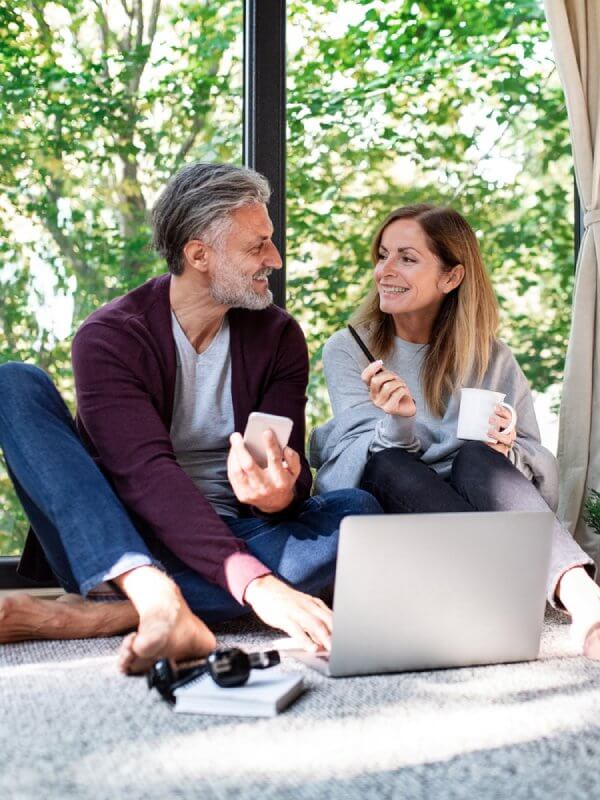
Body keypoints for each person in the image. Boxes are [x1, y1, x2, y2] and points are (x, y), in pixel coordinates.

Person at [0, 162, 380, 673]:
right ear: (199, 254)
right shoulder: (111, 337)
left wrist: (278, 494)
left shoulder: (278, 337)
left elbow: (287, 469)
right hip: (116, 540)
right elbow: (147, 478)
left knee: (357, 513)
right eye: (257, 246)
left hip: (236, 532)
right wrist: (258, 584)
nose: (275, 258)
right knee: (13, 382)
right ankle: (148, 592)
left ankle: (114, 617)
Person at [310, 203, 600, 657]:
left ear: (451, 277)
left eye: (406, 258)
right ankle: (494, 588)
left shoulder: (491, 356)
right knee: (390, 461)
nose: (384, 270)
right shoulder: (350, 348)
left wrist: (508, 450)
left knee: (478, 457)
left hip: (477, 498)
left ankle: (583, 597)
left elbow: (535, 459)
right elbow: (355, 457)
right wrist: (400, 420)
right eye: (382, 255)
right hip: (395, 505)